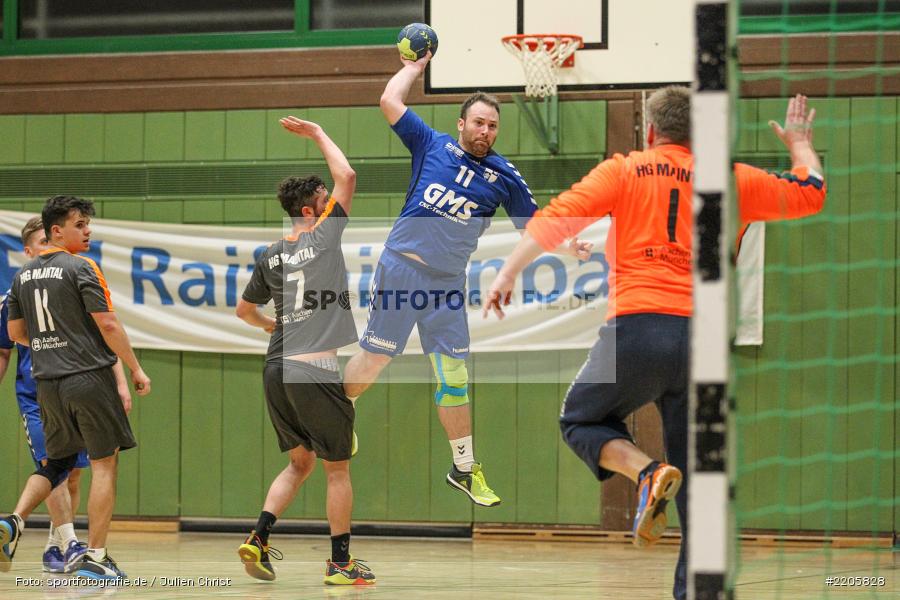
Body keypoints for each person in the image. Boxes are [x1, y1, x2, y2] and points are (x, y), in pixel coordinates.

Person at [484, 90, 825, 600]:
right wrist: (799, 144)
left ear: (649, 131)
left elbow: (559, 216)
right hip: (705, 343)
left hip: (639, 328)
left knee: (580, 420)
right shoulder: (729, 178)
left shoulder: (625, 169)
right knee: (699, 480)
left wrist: (508, 272)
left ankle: (645, 473)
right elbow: (810, 192)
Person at [342, 52, 578, 507]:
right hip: (402, 270)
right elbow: (389, 100)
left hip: (447, 285)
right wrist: (414, 68)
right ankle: (340, 414)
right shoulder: (431, 144)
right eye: (479, 123)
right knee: (374, 359)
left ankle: (465, 468)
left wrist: (570, 246)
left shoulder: (504, 176)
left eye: (493, 126)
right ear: (462, 123)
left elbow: (534, 226)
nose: (486, 132)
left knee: (454, 376)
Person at [235, 117, 374, 586]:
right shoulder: (322, 238)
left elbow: (243, 310)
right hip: (313, 370)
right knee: (337, 470)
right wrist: (317, 134)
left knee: (300, 462)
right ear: (311, 211)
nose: (331, 202)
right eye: (324, 199)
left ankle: (258, 537)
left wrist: (274, 324)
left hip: (275, 366)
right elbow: (348, 176)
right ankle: (340, 563)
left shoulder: (270, 253)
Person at [0, 196, 151, 580]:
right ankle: (96, 557)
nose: (88, 231)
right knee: (104, 463)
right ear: (56, 231)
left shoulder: (22, 276)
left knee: (58, 463)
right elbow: (109, 325)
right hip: (88, 378)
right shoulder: (82, 266)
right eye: (80, 224)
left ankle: (14, 522)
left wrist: (51, 346)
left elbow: (17, 333)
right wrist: (134, 369)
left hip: (46, 384)